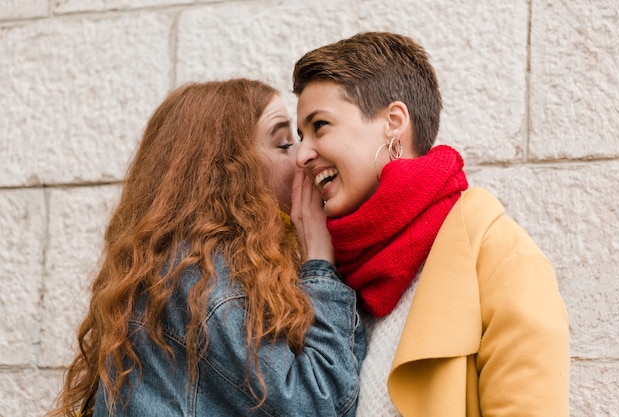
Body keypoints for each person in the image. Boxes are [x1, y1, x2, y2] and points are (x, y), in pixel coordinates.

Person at [46, 79, 366, 417]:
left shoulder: (198, 266)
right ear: (227, 172)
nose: (303, 156)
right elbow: (319, 404)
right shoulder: (203, 281)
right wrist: (319, 263)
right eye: (285, 143)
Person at [292, 32, 570, 417]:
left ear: (393, 122)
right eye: (299, 136)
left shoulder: (499, 258)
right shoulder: (329, 274)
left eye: (319, 126)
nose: (302, 154)